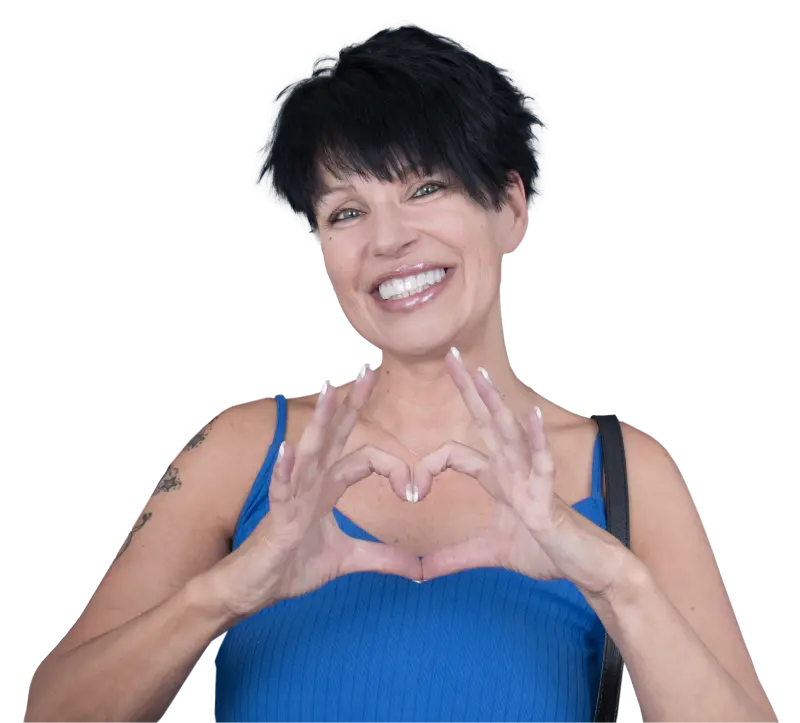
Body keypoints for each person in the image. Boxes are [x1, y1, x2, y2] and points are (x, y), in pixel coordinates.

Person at [25, 20, 775, 723]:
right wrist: (227, 590)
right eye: (347, 212)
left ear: (511, 209)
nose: (389, 240)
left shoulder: (626, 473)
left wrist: (613, 582)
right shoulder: (246, 450)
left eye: (425, 188)